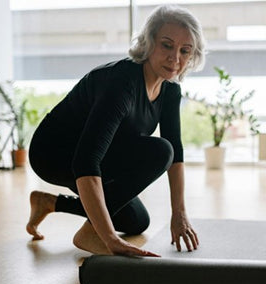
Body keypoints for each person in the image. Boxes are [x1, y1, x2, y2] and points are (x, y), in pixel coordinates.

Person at [26, 5, 205, 257]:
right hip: (55, 151)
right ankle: (89, 234)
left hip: (98, 153)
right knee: (160, 151)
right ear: (149, 42)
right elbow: (86, 161)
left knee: (136, 221)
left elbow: (177, 154)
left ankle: (49, 203)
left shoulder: (170, 89)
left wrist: (180, 214)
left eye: (185, 51)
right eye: (167, 45)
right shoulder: (122, 83)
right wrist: (108, 238)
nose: (175, 58)